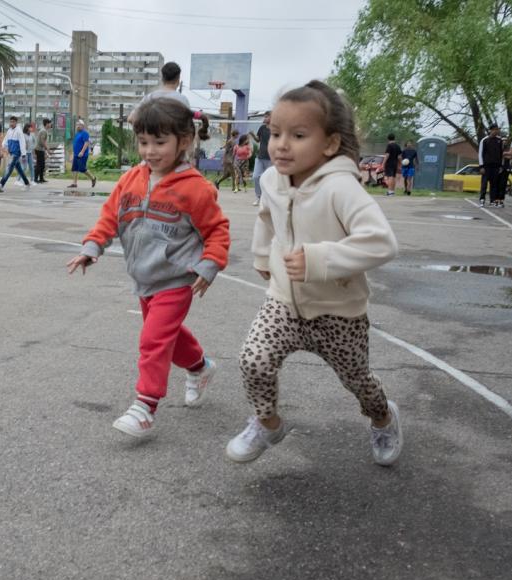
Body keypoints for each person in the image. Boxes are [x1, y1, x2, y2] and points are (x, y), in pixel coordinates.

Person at [225, 79, 402, 467]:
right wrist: (260, 255)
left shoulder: (341, 188)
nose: (281, 144)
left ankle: (383, 417)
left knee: (359, 382)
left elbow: (381, 242)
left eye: (298, 134)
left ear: (329, 143)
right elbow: (267, 216)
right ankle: (267, 423)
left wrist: (320, 259)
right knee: (254, 360)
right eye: (275, 133)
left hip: (338, 310)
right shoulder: (271, 180)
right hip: (284, 302)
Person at [66, 99, 231, 438]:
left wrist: (209, 265)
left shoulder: (196, 188)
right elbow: (109, 217)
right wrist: (92, 246)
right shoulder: (130, 180)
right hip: (144, 278)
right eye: (144, 142)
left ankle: (145, 407)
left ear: (183, 141)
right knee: (168, 337)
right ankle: (200, 368)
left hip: (177, 278)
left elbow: (217, 230)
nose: (150, 151)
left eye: (160, 142)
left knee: (153, 339)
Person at [0, 115, 30, 190]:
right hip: (11, 152)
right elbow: (6, 140)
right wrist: (3, 147)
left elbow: (22, 143)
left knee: (9, 168)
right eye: (11, 121)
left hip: (16, 153)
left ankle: (1, 184)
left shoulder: (19, 131)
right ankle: (27, 183)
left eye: (13, 122)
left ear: (16, 122)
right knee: (19, 169)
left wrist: (23, 154)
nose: (11, 123)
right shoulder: (9, 130)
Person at [479, 123, 504, 208]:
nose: (497, 131)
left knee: (494, 184)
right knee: (484, 184)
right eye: (495, 129)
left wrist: (500, 166)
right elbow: (480, 154)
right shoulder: (485, 140)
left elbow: (501, 154)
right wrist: (481, 166)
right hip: (486, 166)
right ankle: (482, 200)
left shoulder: (499, 140)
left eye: (498, 129)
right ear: (491, 130)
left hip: (496, 166)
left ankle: (492, 201)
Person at [249, 111, 272, 206]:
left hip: (271, 158)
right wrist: (253, 135)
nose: (264, 118)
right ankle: (259, 197)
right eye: (264, 116)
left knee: (269, 180)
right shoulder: (262, 128)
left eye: (266, 116)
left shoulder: (276, 129)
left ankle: (269, 199)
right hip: (260, 157)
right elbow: (258, 140)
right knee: (255, 176)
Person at [69, 120, 96, 188]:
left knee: (82, 169)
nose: (77, 126)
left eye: (79, 125)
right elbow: (75, 144)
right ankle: (74, 183)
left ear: (82, 126)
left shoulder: (85, 133)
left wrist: (82, 152)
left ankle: (93, 178)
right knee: (74, 168)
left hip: (82, 155)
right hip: (76, 154)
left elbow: (86, 143)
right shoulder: (77, 134)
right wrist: (72, 153)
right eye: (77, 125)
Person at [35, 118, 51, 183]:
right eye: (50, 123)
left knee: (42, 165)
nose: (50, 125)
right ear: (47, 124)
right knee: (39, 165)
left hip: (40, 149)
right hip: (39, 149)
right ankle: (35, 179)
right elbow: (42, 141)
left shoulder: (44, 130)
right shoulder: (43, 131)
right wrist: (47, 149)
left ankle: (41, 178)